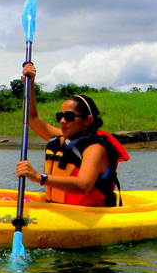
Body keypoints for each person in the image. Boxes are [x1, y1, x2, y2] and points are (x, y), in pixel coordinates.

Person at [16, 62, 128, 207]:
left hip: (88, 215)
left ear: (87, 120)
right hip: (60, 210)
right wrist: (30, 83)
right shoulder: (62, 139)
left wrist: (39, 177)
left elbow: (83, 185)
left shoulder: (95, 149)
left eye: (69, 116)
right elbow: (32, 118)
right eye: (60, 116)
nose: (62, 121)